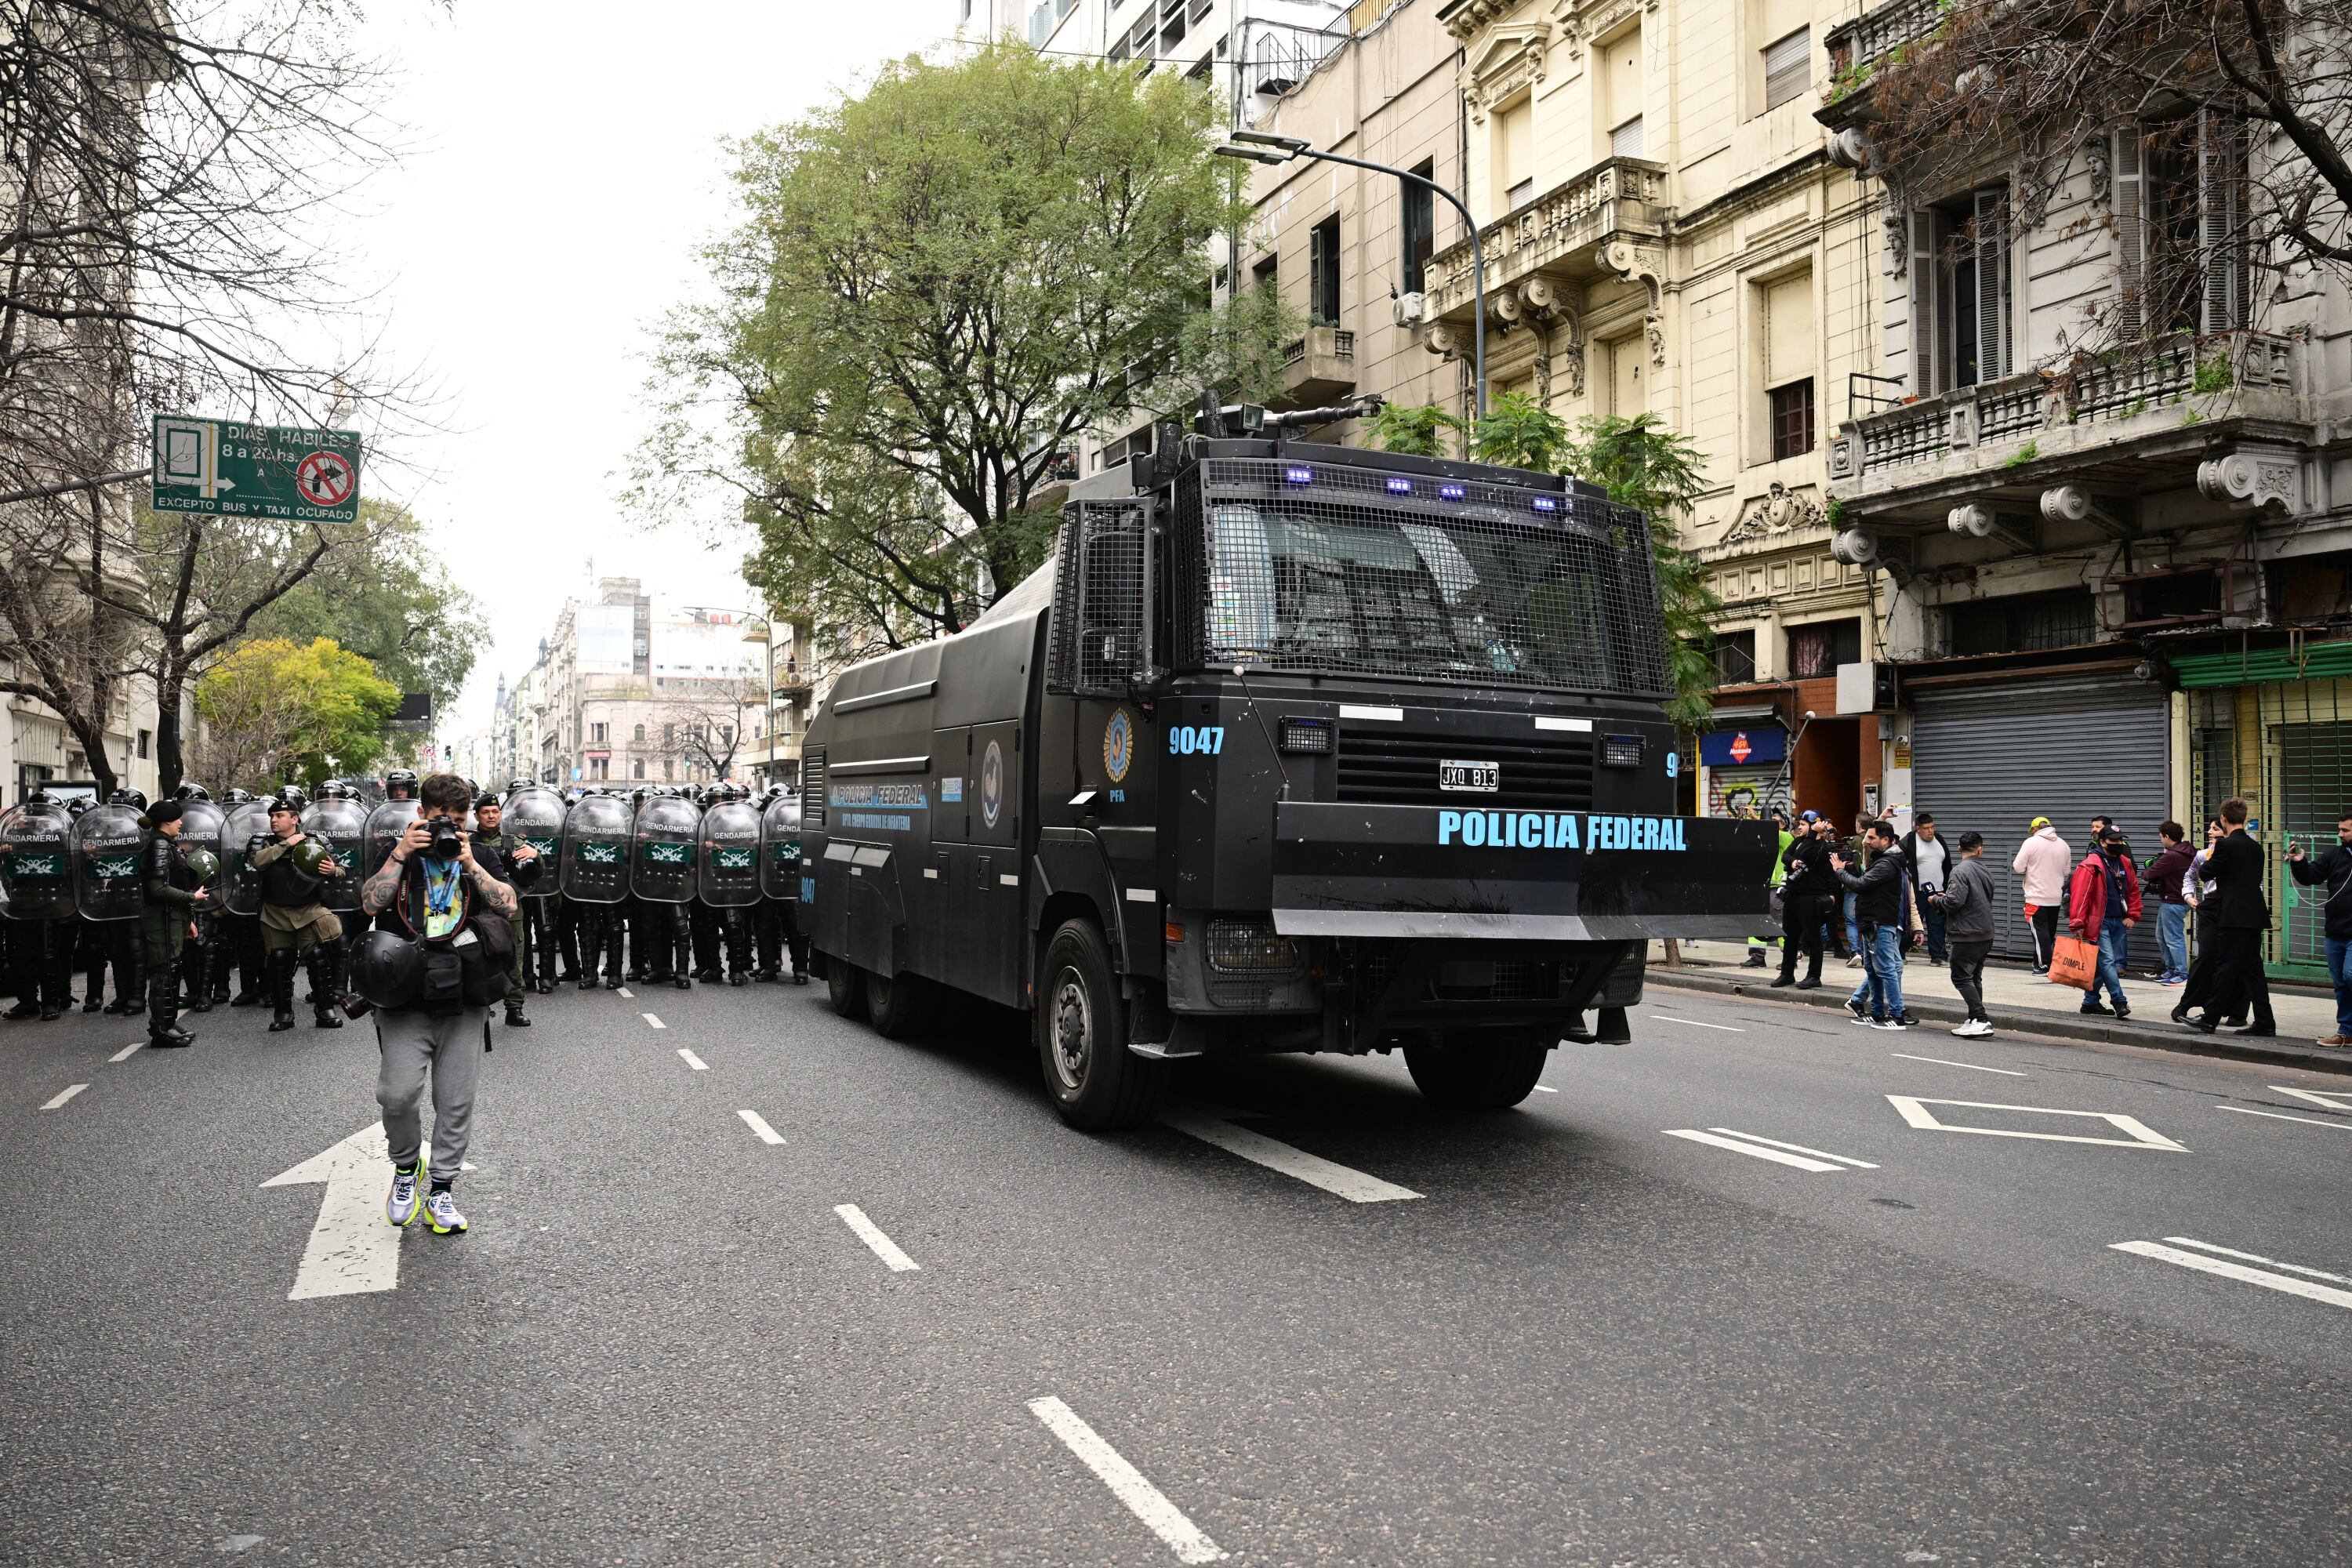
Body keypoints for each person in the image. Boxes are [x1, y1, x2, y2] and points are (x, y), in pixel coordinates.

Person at [359, 771, 524, 1237]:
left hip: (463, 992)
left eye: (457, 819)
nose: (448, 829)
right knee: (396, 1094)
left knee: (456, 1101)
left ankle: (443, 1189)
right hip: (405, 993)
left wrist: (473, 865)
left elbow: (508, 905)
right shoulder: (397, 851)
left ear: (469, 817)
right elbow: (370, 904)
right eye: (438, 820)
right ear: (420, 815)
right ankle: (406, 1168)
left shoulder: (482, 852)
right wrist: (399, 854)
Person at [249, 793, 346, 1032]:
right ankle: (283, 1013)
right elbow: (258, 862)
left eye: (280, 815)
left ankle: (324, 1010)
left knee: (317, 958)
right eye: (272, 816)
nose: (274, 820)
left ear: (295, 819)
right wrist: (287, 844)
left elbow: (341, 873)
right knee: (279, 961)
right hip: (274, 914)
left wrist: (333, 871)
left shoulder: (315, 841)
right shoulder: (264, 842)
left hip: (308, 911)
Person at [2188, 797, 2275, 1036]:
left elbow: (2206, 873)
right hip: (2254, 914)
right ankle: (2265, 1022)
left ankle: (2209, 1019)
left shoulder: (2225, 846)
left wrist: (2214, 853)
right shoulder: (2256, 847)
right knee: (2253, 970)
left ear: (2224, 819)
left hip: (2232, 915)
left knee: (2225, 967)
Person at [137, 798, 209, 1048]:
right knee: (163, 974)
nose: (180, 823)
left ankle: (167, 1022)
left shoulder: (167, 844)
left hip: (173, 918)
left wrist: (187, 920)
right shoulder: (159, 846)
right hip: (161, 920)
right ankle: (161, 1029)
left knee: (171, 970)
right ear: (166, 821)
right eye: (177, 819)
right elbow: (158, 889)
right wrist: (193, 897)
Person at [467, 792, 542, 1029]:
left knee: (514, 959)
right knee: (476, 958)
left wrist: (536, 856)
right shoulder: (468, 843)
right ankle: (480, 1006)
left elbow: (535, 872)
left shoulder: (513, 842)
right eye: (486, 812)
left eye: (495, 812)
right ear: (476, 815)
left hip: (510, 911)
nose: (491, 816)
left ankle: (514, 1008)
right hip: (477, 911)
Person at [1835, 820, 1912, 1029]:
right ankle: (1877, 1013)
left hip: (1881, 923)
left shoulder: (1887, 863)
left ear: (1885, 840)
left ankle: (1896, 1016)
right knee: (1872, 969)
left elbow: (1861, 885)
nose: (1867, 842)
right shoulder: (1882, 859)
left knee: (1887, 970)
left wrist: (1840, 871)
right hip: (1871, 923)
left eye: (1871, 838)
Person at [2285, 813, 2352, 1047]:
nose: (2340, 834)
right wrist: (2299, 861)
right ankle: (2346, 1031)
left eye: (2345, 830)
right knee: (2341, 983)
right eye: (2339, 830)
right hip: (2335, 931)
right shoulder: (2335, 855)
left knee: (2350, 975)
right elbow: (2311, 876)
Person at [2066, 826, 2143, 1017]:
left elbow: (2133, 890)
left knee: (2102, 963)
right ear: (2102, 842)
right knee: (2108, 961)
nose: (2118, 844)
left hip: (2119, 920)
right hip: (2099, 922)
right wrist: (2077, 923)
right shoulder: (2091, 865)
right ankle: (2119, 1001)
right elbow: (2081, 896)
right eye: (2114, 841)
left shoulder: (2124, 862)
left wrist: (2133, 915)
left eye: (2120, 841)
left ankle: (2090, 1002)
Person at [1932, 830, 1998, 1036]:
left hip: (1966, 932)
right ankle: (1973, 1018)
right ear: (1980, 850)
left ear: (1959, 849)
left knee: (1960, 977)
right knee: (1974, 977)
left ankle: (1980, 1018)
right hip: (1985, 931)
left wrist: (1936, 900)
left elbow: (1954, 902)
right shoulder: (1985, 869)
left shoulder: (1960, 871)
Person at [1772, 811, 1835, 990]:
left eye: (1804, 824)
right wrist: (1792, 863)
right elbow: (1786, 856)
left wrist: (1814, 834)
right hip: (1793, 895)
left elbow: (1808, 855)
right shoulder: (1799, 841)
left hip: (1811, 897)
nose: (1800, 827)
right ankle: (1787, 973)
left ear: (1817, 826)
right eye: (1800, 823)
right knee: (1790, 937)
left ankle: (1814, 976)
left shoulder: (1822, 846)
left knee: (1812, 938)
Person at [2013, 816, 2071, 974]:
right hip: (2056, 897)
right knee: (2048, 933)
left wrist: (2031, 869)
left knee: (2039, 933)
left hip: (2036, 897)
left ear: (2035, 829)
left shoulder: (2031, 842)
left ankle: (2044, 966)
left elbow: (2018, 867)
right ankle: (2037, 963)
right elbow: (2066, 872)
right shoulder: (2063, 844)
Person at [2144, 822, 2194, 985]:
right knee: (2161, 936)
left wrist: (2150, 866)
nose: (2161, 841)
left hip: (2173, 901)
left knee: (2173, 938)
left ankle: (2181, 972)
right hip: (2177, 900)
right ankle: (2171, 969)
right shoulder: (2188, 851)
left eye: (2161, 837)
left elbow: (2148, 874)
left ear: (2166, 836)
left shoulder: (2172, 856)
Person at [1900, 813, 1949, 964]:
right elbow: (1899, 862)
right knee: (1911, 924)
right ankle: (1900, 953)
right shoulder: (1909, 841)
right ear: (1918, 829)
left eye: (1932, 827)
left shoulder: (1939, 839)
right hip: (1917, 892)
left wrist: (1948, 888)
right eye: (1926, 828)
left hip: (1938, 891)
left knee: (1938, 925)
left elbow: (1947, 865)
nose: (1930, 831)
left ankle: (1938, 956)